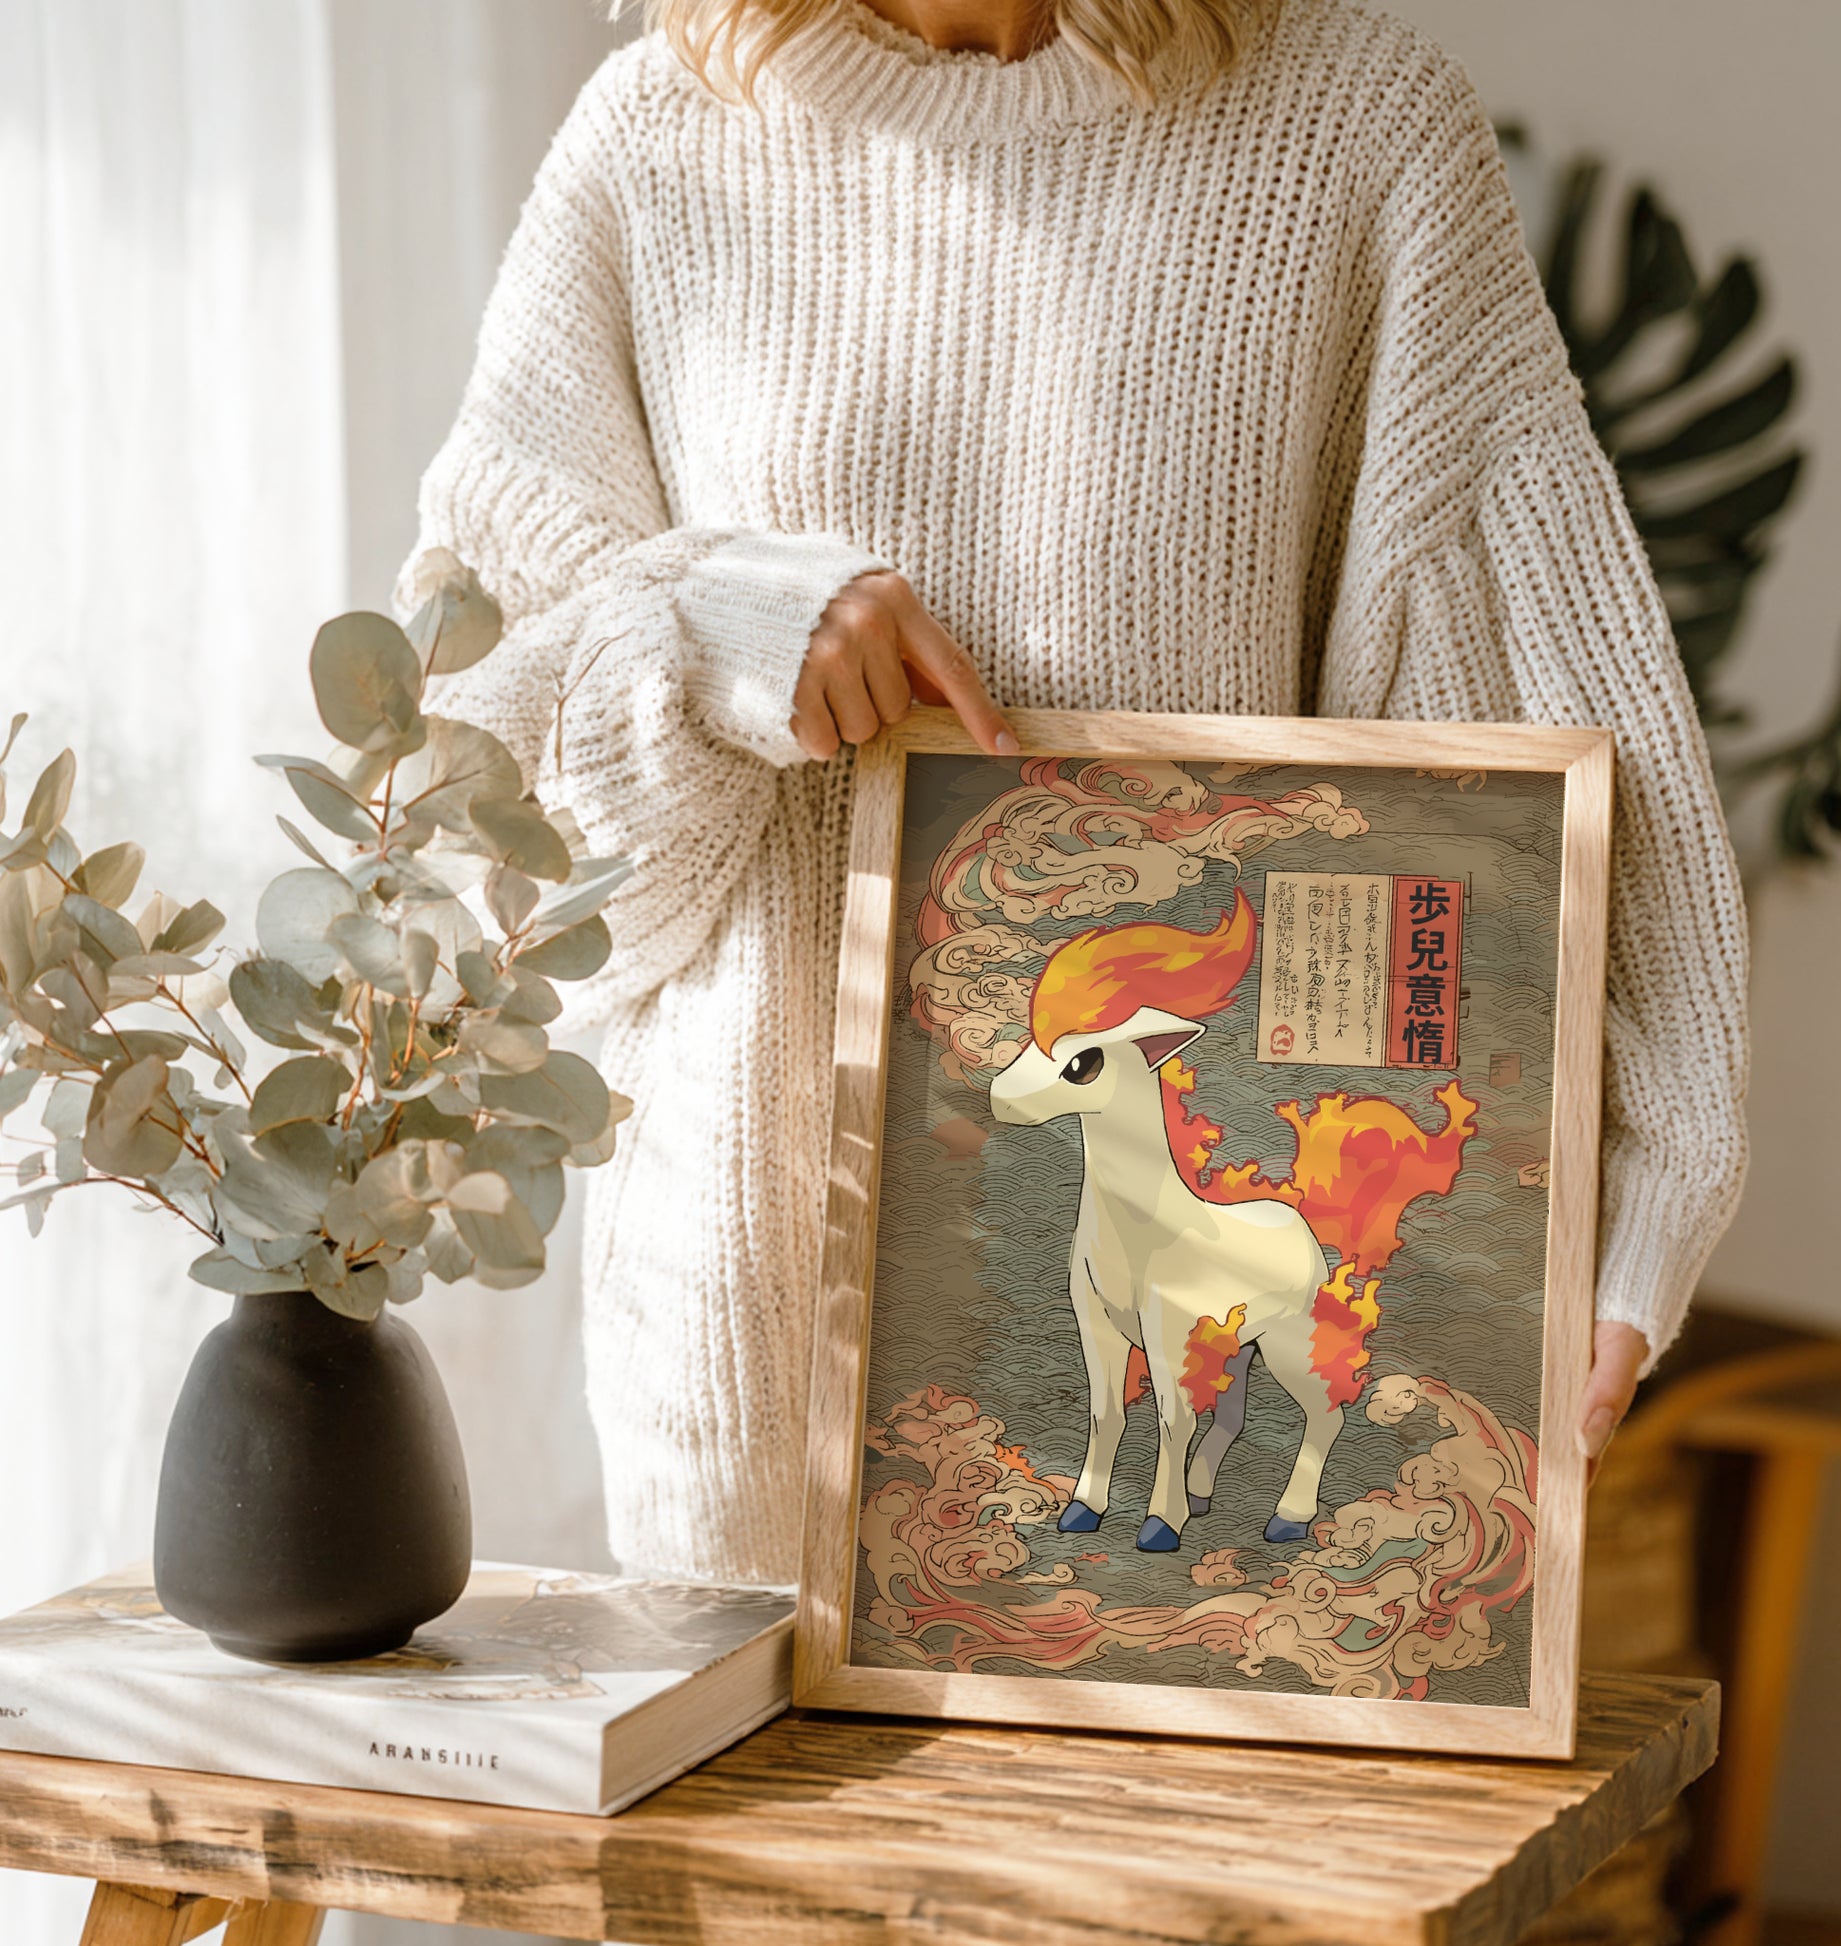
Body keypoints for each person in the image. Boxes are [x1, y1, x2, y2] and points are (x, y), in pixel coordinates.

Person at [397, 0, 1749, 1588]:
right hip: (748, 1346)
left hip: (1213, 1349)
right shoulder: (656, 139)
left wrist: (1642, 1175)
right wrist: (710, 624)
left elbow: (1527, 709)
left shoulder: (1352, 126)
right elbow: (471, 821)